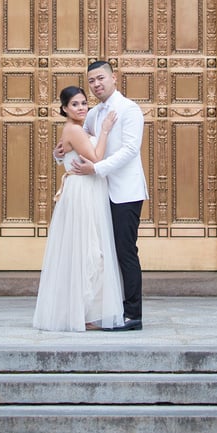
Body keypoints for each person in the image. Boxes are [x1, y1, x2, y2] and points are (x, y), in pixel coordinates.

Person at [32, 86, 124, 332]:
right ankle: (81, 313)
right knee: (89, 250)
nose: (81, 107)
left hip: (88, 189)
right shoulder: (73, 129)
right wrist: (104, 131)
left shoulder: (76, 129)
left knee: (88, 248)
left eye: (84, 103)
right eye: (74, 104)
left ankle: (83, 311)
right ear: (64, 108)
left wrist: (59, 154)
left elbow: (67, 154)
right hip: (83, 191)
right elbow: (96, 158)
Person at [68, 61, 148, 331]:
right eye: (91, 81)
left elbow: (130, 150)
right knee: (102, 253)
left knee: (125, 252)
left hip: (126, 191)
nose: (96, 84)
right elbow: (86, 144)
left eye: (100, 78)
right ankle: (107, 309)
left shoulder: (129, 109)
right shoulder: (93, 115)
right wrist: (61, 155)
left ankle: (132, 314)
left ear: (114, 77)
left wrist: (96, 168)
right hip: (99, 193)